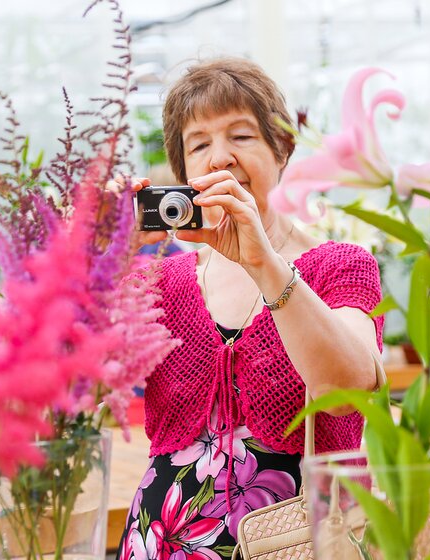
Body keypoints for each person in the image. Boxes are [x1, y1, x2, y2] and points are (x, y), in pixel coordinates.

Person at [116, 58, 385, 560]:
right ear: (182, 175)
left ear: (282, 149)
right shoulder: (155, 280)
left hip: (304, 543)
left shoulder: (340, 266)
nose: (219, 158)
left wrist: (264, 262)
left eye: (241, 137)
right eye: (199, 145)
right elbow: (77, 391)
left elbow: (352, 389)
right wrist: (104, 261)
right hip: (161, 542)